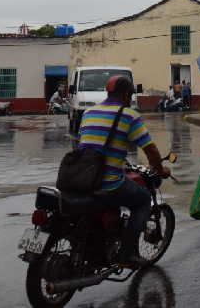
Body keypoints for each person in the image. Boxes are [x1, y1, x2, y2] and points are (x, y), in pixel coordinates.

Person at [78, 76, 172, 267]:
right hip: (108, 183)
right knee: (143, 200)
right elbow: (150, 149)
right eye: (130, 95)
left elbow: (91, 144)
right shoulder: (128, 115)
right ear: (126, 95)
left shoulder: (88, 112)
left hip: (84, 179)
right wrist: (160, 169)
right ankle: (127, 254)